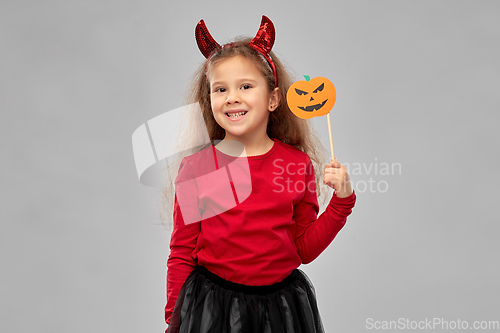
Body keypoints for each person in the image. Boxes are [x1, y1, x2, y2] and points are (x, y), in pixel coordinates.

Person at [163, 15, 356, 333]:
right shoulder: (198, 169)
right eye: (220, 89)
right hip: (213, 304)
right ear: (208, 99)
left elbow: (303, 249)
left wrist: (342, 202)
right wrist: (175, 316)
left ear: (273, 99)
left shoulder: (296, 165)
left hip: (278, 309)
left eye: (246, 86)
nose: (231, 97)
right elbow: (183, 250)